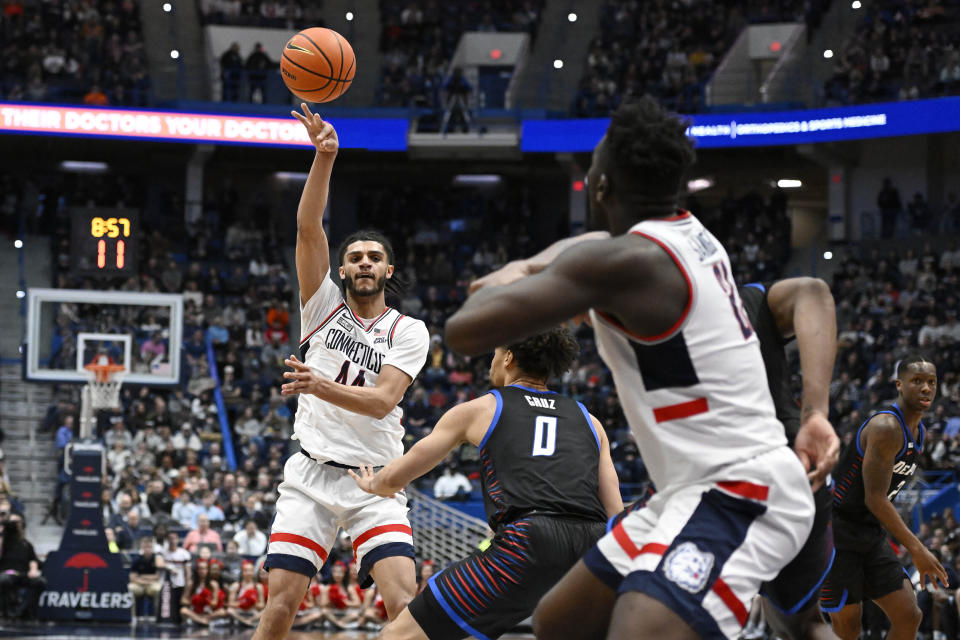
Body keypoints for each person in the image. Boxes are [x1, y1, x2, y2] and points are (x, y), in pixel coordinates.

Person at [445, 97, 816, 640]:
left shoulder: (624, 262)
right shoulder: (689, 233)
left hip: (741, 488)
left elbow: (464, 330)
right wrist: (540, 268)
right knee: (562, 620)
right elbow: (596, 248)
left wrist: (522, 267)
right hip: (689, 487)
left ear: (601, 187)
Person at [253, 103, 429, 640]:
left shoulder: (409, 330)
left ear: (388, 270)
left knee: (404, 603)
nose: (364, 263)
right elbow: (308, 228)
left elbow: (381, 402)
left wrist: (317, 383)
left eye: (374, 257)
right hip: (310, 475)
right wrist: (324, 156)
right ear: (343, 268)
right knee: (280, 604)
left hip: (374, 479)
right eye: (354, 256)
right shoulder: (321, 305)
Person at [350, 327, 623, 640]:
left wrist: (373, 485)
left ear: (508, 358)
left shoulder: (483, 408)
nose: (492, 361)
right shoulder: (591, 421)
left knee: (397, 636)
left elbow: (397, 477)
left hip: (528, 542)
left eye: (495, 353)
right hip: (589, 548)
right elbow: (615, 511)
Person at [739, 279, 840, 640]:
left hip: (716, 475)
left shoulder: (647, 298)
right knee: (806, 625)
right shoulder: (740, 298)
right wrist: (816, 413)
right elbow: (813, 290)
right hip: (794, 466)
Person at [822, 355, 947, 640]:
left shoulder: (920, 432)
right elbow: (875, 499)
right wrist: (917, 548)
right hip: (836, 529)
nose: (926, 388)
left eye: (931, 382)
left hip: (868, 530)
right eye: (917, 381)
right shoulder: (886, 427)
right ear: (899, 385)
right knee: (849, 627)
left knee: (909, 615)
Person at [0, 513, 44, 620]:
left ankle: (21, 610)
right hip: (7, 573)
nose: (15, 525)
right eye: (12, 523)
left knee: (40, 582)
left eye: (18, 522)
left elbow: (33, 559)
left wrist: (33, 570)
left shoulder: (26, 544)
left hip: (23, 574)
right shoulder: (4, 542)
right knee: (4, 579)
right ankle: (5, 610)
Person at [129, 536, 163, 620]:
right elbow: (132, 578)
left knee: (158, 589)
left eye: (149, 547)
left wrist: (141, 576)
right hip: (139, 585)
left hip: (152, 585)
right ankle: (131, 617)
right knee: (130, 588)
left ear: (153, 548)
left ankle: (158, 617)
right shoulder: (136, 559)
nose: (147, 549)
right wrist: (146, 581)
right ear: (142, 547)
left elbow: (157, 576)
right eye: (145, 547)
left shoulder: (157, 559)